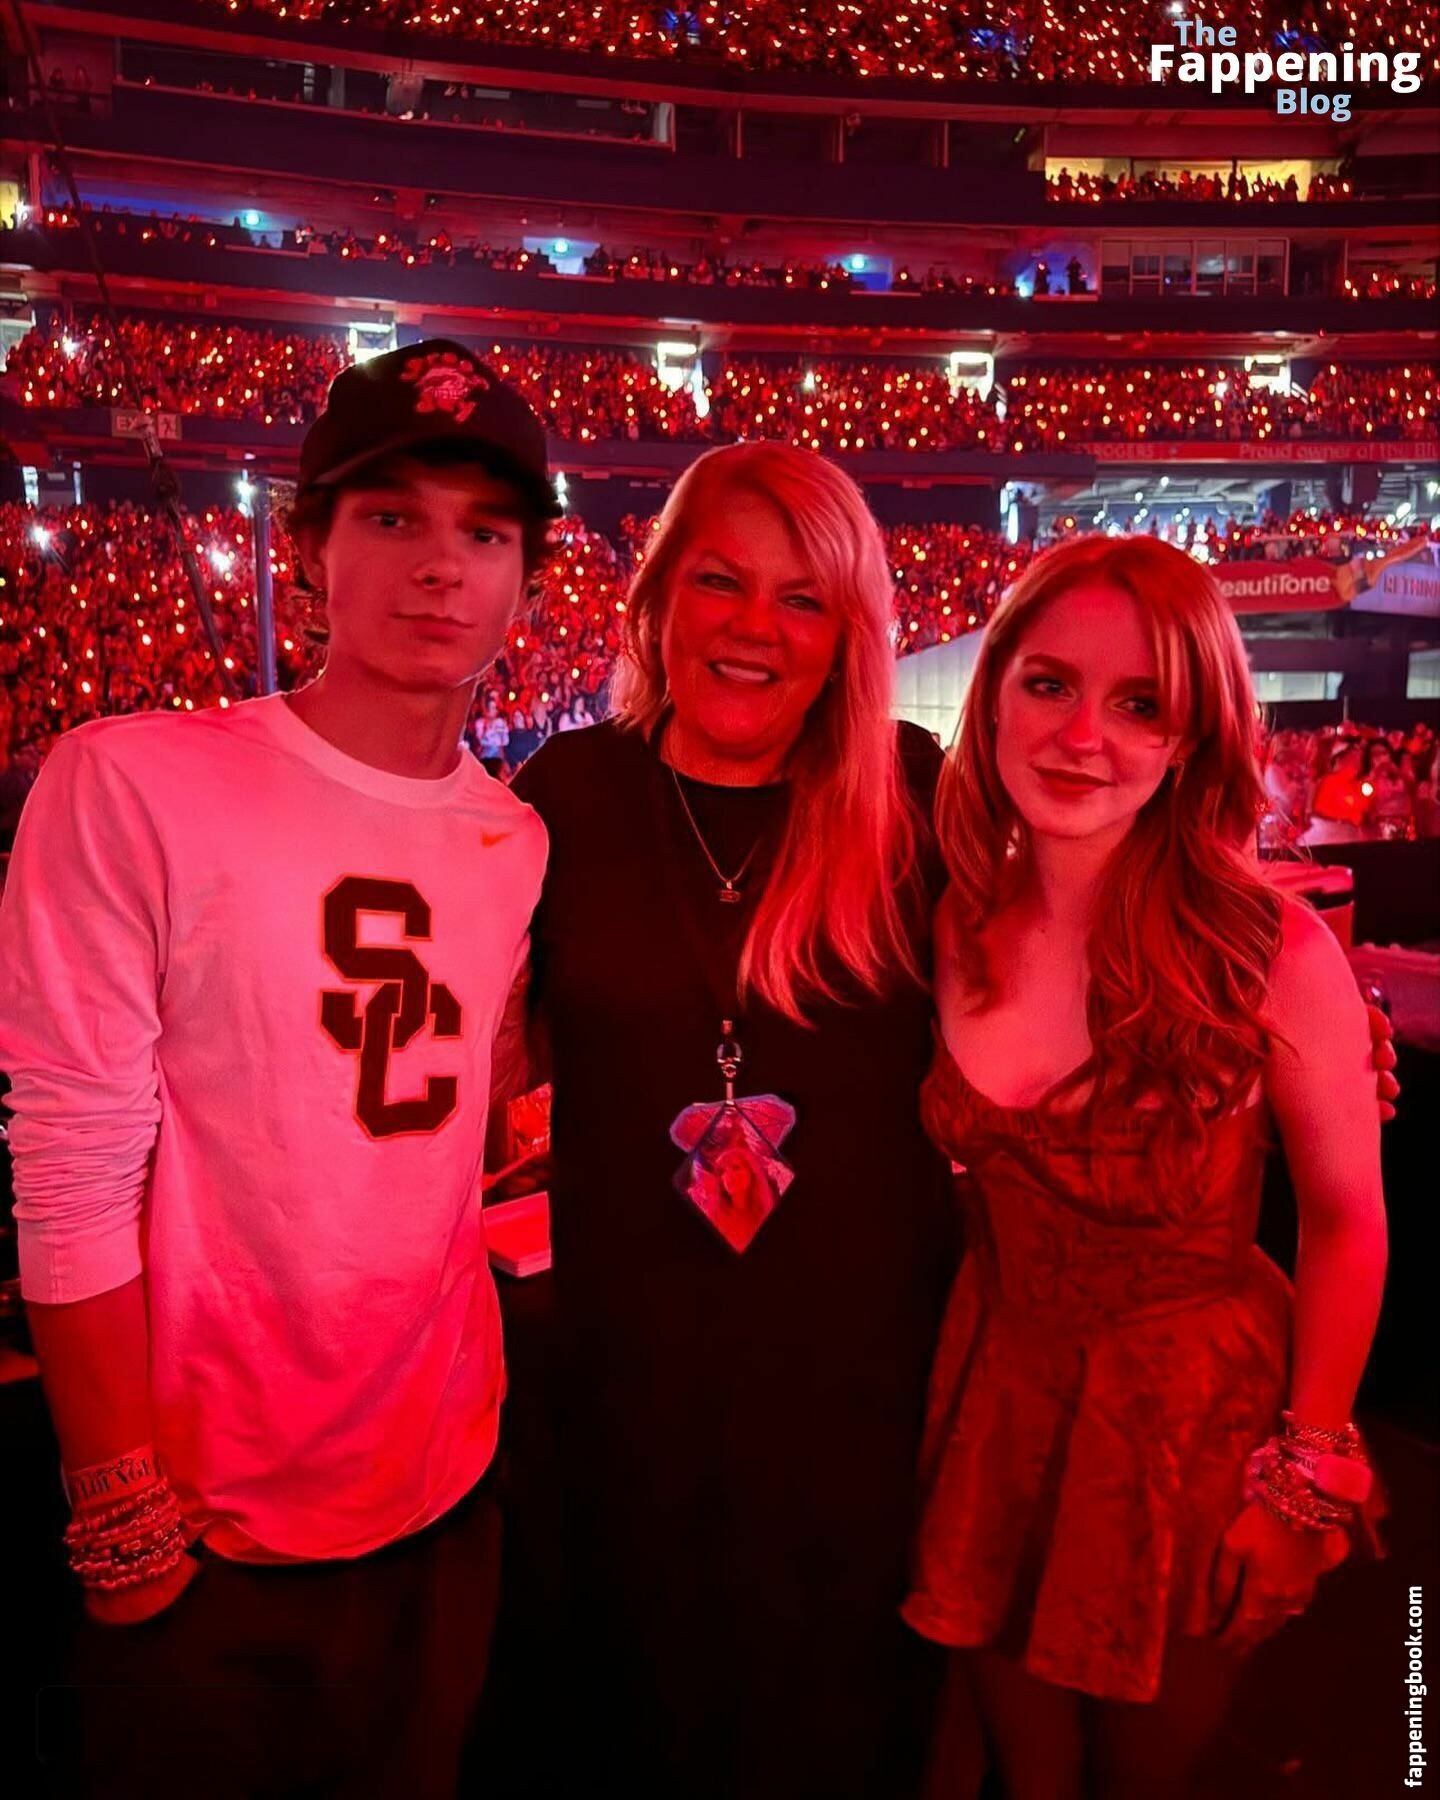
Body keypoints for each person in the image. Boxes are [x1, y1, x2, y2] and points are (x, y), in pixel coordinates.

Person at [0, 339, 558, 1799]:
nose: (439, 566)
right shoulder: (131, 782)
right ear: (310, 547)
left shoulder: (517, 840)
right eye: (392, 517)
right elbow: (69, 1163)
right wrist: (120, 1515)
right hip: (205, 1528)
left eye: (484, 533)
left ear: (525, 580)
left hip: (445, 1489)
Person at [500, 441, 958, 1798]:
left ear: (848, 633)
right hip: (632, 1383)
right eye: (721, 581)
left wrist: (1291, 998)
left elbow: (1084, 935)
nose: (756, 627)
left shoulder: (913, 791)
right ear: (656, 601)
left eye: (802, 598)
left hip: (862, 1390)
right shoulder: (566, 796)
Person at [905, 536, 1388, 1799]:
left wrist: (1305, 1482)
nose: (1083, 736)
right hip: (997, 1409)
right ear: (992, 696)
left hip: (1188, 1440)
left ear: (1191, 739)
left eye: (1139, 704)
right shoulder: (952, 920)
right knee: (1027, 1775)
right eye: (1049, 685)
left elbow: (1346, 1224)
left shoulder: (1270, 950)